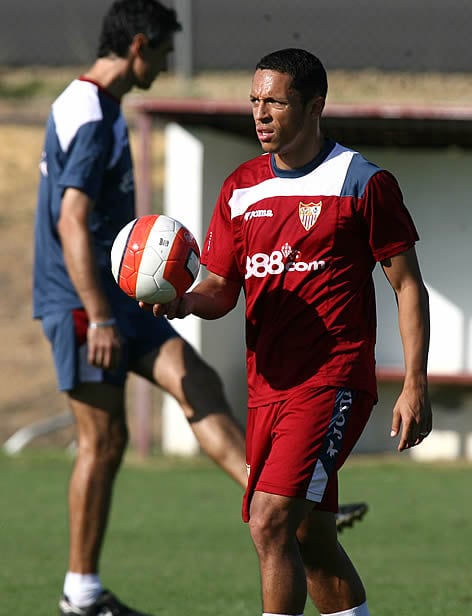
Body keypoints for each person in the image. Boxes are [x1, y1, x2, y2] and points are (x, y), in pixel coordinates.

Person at [32, 5, 366, 614]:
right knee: (102, 440)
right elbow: (71, 219)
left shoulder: (101, 109)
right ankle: (80, 591)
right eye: (162, 54)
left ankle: (277, 495)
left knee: (199, 384)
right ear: (139, 46)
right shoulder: (86, 111)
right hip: (84, 303)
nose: (164, 65)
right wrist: (97, 315)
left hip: (126, 303)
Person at [150, 48, 432, 616]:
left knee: (270, 522)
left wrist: (415, 383)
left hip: (332, 381)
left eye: (275, 101)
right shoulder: (241, 188)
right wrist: (182, 300)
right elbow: (222, 290)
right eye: (255, 101)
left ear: (314, 106)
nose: (260, 114)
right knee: (313, 541)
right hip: (267, 388)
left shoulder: (362, 182)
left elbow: (408, 287)